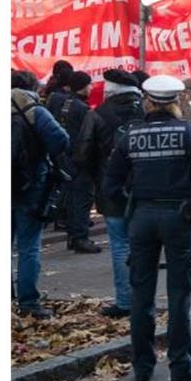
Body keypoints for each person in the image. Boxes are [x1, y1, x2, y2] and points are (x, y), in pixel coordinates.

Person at [102, 75, 191, 381]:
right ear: (175, 103)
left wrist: (133, 202)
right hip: (179, 217)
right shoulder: (190, 134)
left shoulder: (131, 136)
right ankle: (181, 364)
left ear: (148, 102)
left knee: (141, 295)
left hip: (141, 217)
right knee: (180, 294)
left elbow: (110, 184)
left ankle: (143, 367)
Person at [73, 69, 145, 317]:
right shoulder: (147, 111)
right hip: (146, 190)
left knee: (120, 245)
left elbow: (82, 154)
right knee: (144, 246)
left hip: (112, 190)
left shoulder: (98, 115)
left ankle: (125, 302)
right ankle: (144, 300)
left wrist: (98, 178)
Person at [12, 70, 71, 319]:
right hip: (31, 185)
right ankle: (28, 302)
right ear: (32, 87)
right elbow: (61, 141)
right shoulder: (34, 111)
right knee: (28, 245)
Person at [52, 71, 102, 254]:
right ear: (82, 86)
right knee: (82, 199)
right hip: (80, 159)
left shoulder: (64, 102)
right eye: (89, 85)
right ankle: (80, 237)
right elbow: (88, 136)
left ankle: (74, 236)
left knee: (72, 197)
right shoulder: (82, 108)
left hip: (65, 158)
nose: (91, 88)